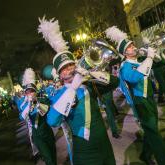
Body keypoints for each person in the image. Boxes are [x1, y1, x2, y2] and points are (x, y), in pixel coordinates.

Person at [38, 17, 118, 165]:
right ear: (60, 75)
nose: (69, 69)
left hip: (105, 144)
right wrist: (72, 89)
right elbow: (52, 121)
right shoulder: (58, 95)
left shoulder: (88, 84)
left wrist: (92, 74)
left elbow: (115, 82)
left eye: (71, 65)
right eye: (64, 68)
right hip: (84, 150)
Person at [106, 26, 165, 165]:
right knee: (154, 133)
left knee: (151, 130)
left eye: (132, 45)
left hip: (149, 98)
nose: (133, 47)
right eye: (130, 47)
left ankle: (145, 155)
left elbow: (159, 63)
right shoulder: (125, 67)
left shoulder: (139, 60)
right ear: (125, 53)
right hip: (140, 102)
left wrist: (154, 53)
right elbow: (135, 77)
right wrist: (148, 57)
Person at [15, 68, 57, 165]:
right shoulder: (24, 104)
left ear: (36, 91)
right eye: (28, 92)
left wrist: (36, 102)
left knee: (53, 156)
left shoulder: (42, 99)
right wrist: (29, 104)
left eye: (32, 91)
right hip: (37, 135)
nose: (30, 94)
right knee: (48, 159)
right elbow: (22, 117)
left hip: (47, 131)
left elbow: (44, 111)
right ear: (25, 93)